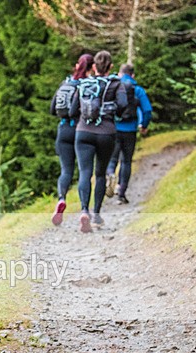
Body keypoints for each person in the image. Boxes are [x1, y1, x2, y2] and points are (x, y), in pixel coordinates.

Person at [70, 50, 127, 233]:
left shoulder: (83, 84)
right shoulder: (116, 84)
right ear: (111, 67)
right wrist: (114, 113)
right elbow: (123, 105)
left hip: (83, 132)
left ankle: (84, 210)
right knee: (100, 174)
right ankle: (96, 214)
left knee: (84, 173)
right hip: (106, 133)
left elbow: (72, 110)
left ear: (93, 67)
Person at [49, 53, 95, 226]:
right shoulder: (87, 85)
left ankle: (61, 199)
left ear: (77, 66)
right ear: (92, 68)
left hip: (63, 130)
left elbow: (52, 109)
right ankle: (84, 210)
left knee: (66, 170)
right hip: (81, 129)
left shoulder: (65, 83)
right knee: (84, 171)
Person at [105, 63, 152, 205]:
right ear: (133, 75)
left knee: (112, 159)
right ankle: (121, 192)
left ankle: (110, 174)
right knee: (126, 161)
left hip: (114, 129)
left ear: (120, 74)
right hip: (130, 130)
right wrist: (144, 125)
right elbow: (147, 110)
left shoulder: (114, 87)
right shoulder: (137, 90)